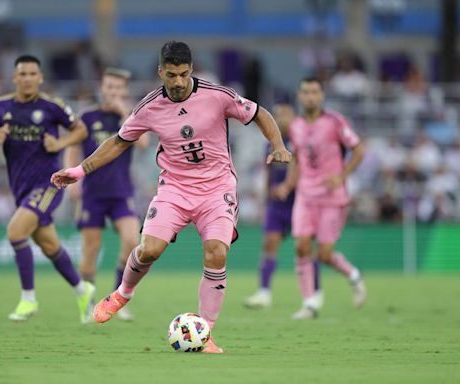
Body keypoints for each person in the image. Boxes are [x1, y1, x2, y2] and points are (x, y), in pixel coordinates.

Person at [51, 41, 292, 353]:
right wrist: (80, 171)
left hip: (216, 189)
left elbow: (260, 114)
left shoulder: (217, 96)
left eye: (183, 74)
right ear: (160, 72)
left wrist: (278, 144)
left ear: (191, 70)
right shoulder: (149, 107)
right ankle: (123, 293)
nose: (177, 82)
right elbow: (118, 141)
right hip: (174, 190)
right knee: (149, 250)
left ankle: (205, 333)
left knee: (217, 252)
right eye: (171, 75)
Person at [0, 55, 95, 322]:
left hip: (49, 183)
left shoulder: (52, 107)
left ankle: (28, 299)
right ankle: (82, 290)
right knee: (48, 244)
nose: (28, 78)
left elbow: (81, 130)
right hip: (20, 186)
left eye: (33, 74)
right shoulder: (0, 107)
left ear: (40, 78)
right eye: (23, 74)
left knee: (15, 231)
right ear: (15, 78)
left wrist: (60, 144)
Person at [275, 77, 367, 320]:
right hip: (305, 195)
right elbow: (297, 158)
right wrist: (288, 184)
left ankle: (353, 275)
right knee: (301, 246)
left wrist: (342, 175)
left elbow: (358, 149)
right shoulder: (295, 126)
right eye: (305, 92)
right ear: (299, 95)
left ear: (322, 96)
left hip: (332, 197)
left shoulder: (334, 122)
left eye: (314, 92)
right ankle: (310, 303)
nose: (310, 96)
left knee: (324, 255)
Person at [65, 68, 149, 322]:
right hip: (93, 194)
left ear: (124, 92)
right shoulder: (87, 116)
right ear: (102, 88)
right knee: (91, 249)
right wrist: (71, 181)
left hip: (121, 192)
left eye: (118, 89)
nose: (113, 92)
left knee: (131, 241)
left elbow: (143, 145)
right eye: (109, 87)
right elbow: (73, 146)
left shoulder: (131, 117)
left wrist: (125, 112)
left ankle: (117, 300)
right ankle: (87, 303)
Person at [244, 103, 322, 309]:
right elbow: (268, 172)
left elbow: (303, 168)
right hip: (276, 204)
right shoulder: (269, 144)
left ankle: (315, 292)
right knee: (269, 244)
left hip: (300, 202)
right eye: (278, 115)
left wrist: (288, 186)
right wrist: (266, 196)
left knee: (306, 248)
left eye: (286, 115)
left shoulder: (303, 140)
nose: (282, 119)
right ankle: (264, 292)